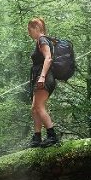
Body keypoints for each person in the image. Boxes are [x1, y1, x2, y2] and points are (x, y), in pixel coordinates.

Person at [27, 18, 59, 147]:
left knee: (39, 107)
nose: (29, 33)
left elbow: (48, 58)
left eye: (29, 30)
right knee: (34, 108)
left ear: (36, 28)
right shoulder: (42, 40)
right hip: (42, 77)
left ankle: (52, 136)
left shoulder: (42, 40)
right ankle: (37, 137)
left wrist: (42, 77)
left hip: (45, 77)